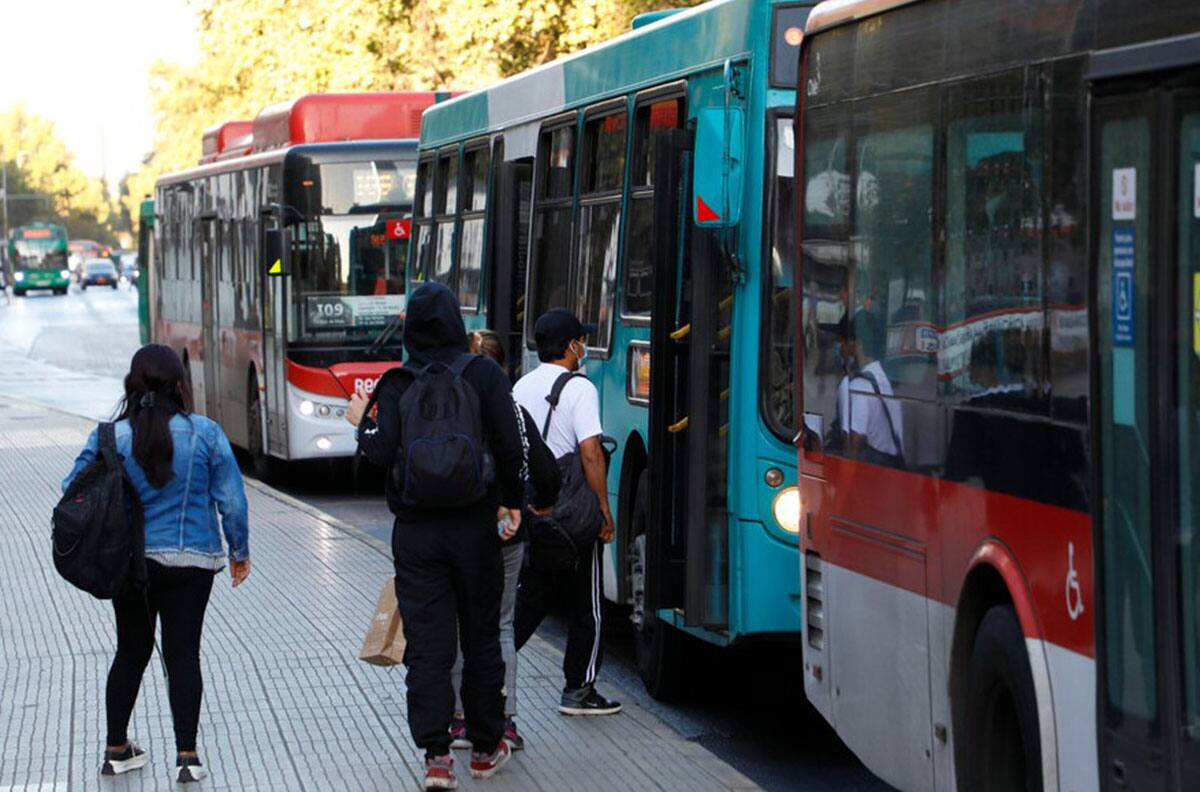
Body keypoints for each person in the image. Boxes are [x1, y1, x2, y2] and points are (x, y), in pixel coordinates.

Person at [348, 283, 525, 791]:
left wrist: (362, 424)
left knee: (428, 647)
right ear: (455, 323)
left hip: (417, 535)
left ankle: (436, 756)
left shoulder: (398, 382)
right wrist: (510, 504)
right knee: (481, 636)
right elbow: (510, 448)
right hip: (475, 528)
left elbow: (378, 457)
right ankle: (488, 747)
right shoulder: (485, 374)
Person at [62, 344, 250, 784]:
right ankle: (188, 756)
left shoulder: (109, 437)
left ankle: (116, 749)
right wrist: (239, 553)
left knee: (131, 650)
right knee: (184, 653)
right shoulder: (206, 434)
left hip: (130, 565)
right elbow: (233, 502)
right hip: (193, 562)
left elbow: (72, 488)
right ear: (180, 385)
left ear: (133, 384)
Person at [448, 330, 560, 752]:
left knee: (460, 623)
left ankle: (459, 720)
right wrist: (539, 505)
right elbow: (545, 472)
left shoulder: (446, 407)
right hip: (506, 533)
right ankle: (504, 720)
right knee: (499, 624)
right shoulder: (513, 412)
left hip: (457, 531)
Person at [511, 308, 621, 716]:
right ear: (571, 345)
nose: (583, 346)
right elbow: (590, 452)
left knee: (533, 596)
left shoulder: (520, 386)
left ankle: (486, 663)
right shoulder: (580, 388)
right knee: (588, 602)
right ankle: (579, 689)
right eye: (581, 339)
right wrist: (604, 510)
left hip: (535, 508)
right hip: (574, 511)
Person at [836, 309, 904, 468]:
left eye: (843, 343)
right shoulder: (884, 377)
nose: (840, 349)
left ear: (856, 344)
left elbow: (852, 445)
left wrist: (842, 491)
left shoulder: (858, 386)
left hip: (874, 473)